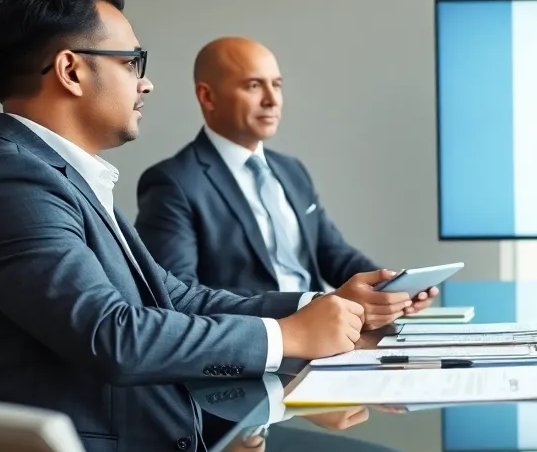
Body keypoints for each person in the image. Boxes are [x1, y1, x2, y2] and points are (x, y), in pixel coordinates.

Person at [0, 0, 416, 452]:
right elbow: (113, 335)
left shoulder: (55, 178)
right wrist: (287, 336)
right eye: (133, 62)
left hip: (156, 447)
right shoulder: (12, 189)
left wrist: (317, 309)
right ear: (71, 70)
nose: (147, 82)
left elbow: (175, 298)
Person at [135, 36, 417, 313]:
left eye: (277, 85)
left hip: (329, 336)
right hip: (260, 347)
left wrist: (390, 287)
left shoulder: (291, 171)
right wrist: (307, 303)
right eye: (254, 85)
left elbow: (332, 253)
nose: (272, 100)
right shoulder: (173, 183)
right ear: (207, 96)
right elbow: (176, 296)